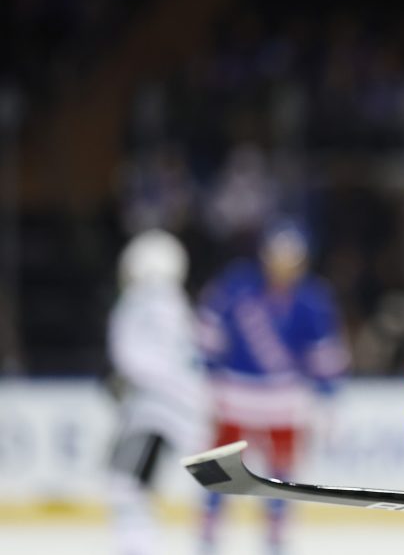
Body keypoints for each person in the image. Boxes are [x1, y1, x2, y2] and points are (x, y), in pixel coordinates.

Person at [195, 219, 349, 555]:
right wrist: (206, 374)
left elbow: (324, 354)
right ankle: (208, 533)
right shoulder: (237, 285)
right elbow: (208, 329)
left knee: (280, 472)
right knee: (220, 467)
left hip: (284, 399)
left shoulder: (312, 299)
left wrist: (329, 397)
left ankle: (275, 537)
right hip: (235, 393)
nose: (283, 265)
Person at [107, 229, 209, 555]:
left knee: (126, 482)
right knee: (138, 480)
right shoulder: (177, 303)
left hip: (153, 410)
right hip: (182, 409)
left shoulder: (139, 301)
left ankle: (137, 545)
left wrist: (125, 382)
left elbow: (128, 355)